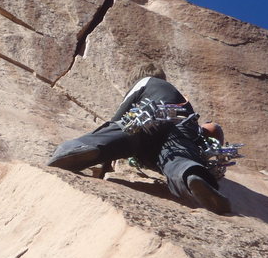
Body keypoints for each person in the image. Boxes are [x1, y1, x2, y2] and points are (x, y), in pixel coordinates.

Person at [47, 64, 231, 214]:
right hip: (179, 132)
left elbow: (119, 118)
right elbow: (210, 129)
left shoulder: (146, 81)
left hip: (150, 120)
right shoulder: (183, 98)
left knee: (120, 133)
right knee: (177, 157)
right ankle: (191, 178)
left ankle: (78, 149)